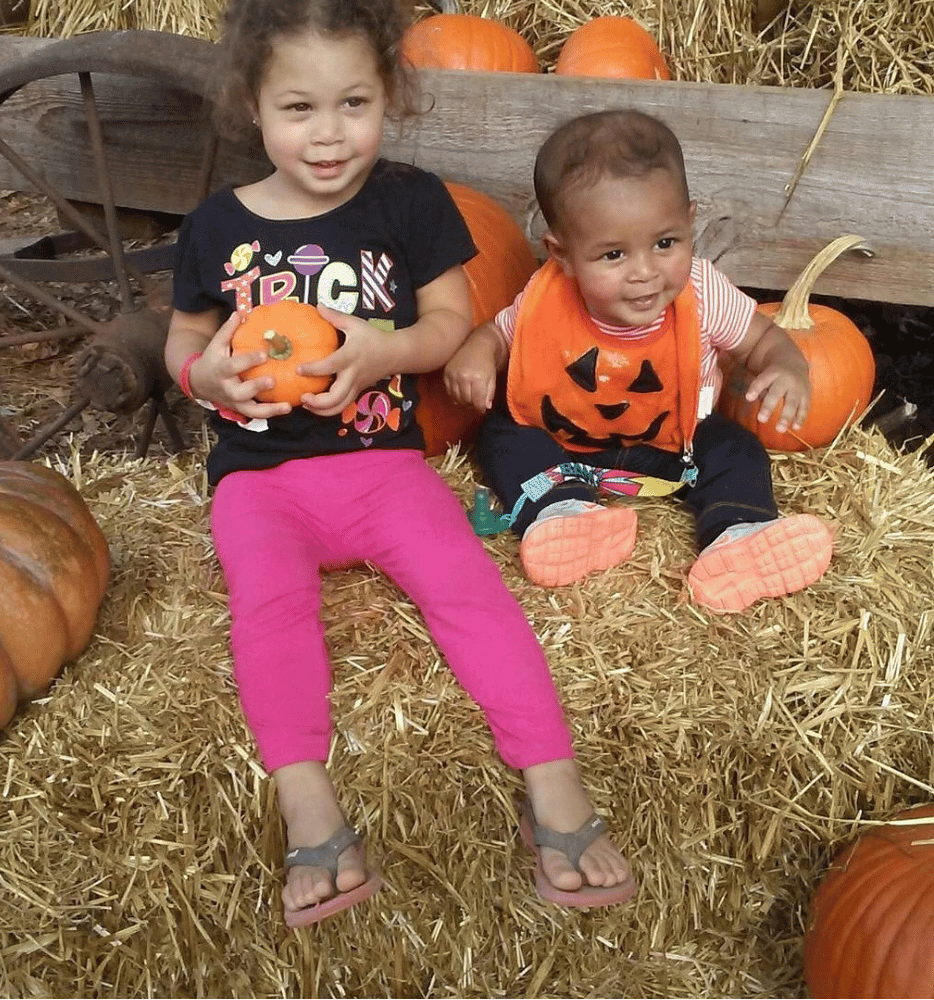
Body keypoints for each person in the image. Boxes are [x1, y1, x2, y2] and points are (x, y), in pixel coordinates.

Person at [166, 0, 635, 928]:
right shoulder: (216, 227)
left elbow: (450, 324)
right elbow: (183, 338)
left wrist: (383, 352)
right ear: (252, 110)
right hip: (261, 483)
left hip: (384, 468)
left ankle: (554, 780)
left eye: (354, 103)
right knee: (269, 607)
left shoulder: (411, 201)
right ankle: (307, 798)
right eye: (299, 109)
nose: (330, 134)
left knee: (468, 587)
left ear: (390, 96)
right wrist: (203, 373)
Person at [444, 109, 832, 613]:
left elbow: (762, 340)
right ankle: (562, 513)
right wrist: (477, 351)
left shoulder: (700, 291)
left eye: (664, 243)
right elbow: (500, 334)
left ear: (690, 223)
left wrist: (789, 365)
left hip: (673, 443)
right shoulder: (547, 298)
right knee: (502, 432)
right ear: (561, 255)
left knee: (734, 447)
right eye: (613, 256)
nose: (645, 273)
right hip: (562, 442)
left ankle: (739, 534)